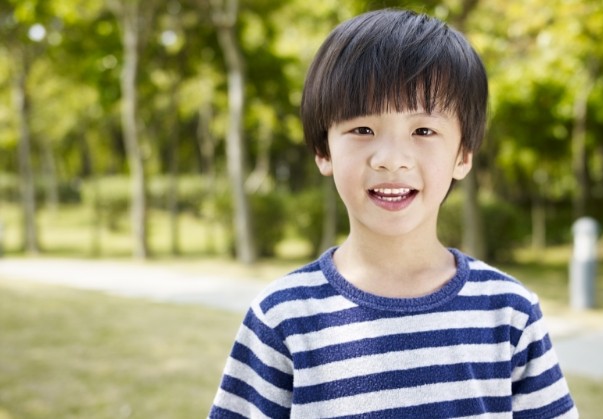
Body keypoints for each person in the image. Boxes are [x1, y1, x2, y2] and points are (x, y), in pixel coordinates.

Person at [208, 8, 578, 418]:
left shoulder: (508, 312)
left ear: (464, 155)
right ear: (323, 150)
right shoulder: (282, 317)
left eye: (423, 131)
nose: (391, 159)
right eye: (362, 130)